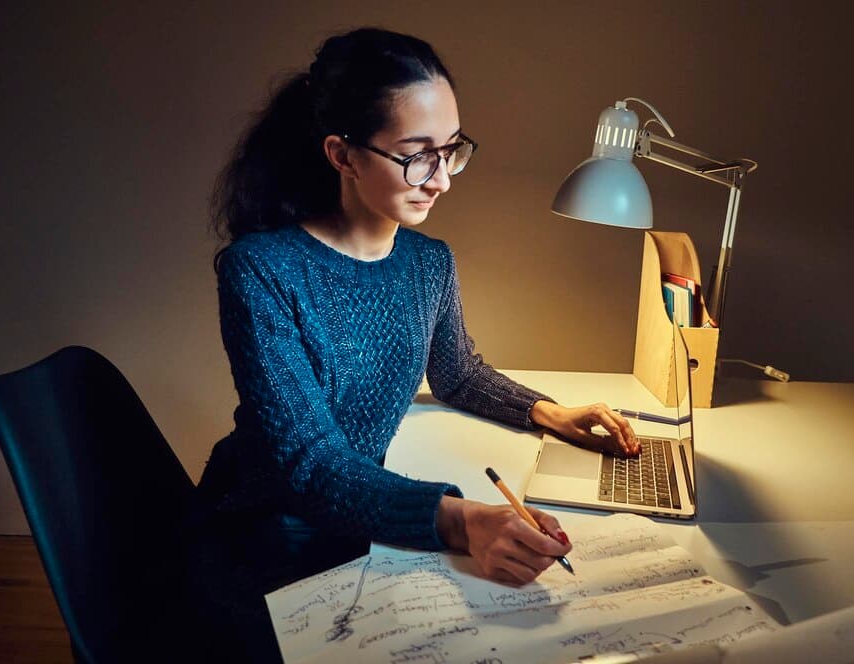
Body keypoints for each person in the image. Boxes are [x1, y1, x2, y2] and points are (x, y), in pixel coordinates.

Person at [191, 26, 638, 661]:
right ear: (342, 155)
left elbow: (459, 375)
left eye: (451, 151)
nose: (442, 180)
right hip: (273, 544)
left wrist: (550, 413)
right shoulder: (261, 270)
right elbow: (311, 464)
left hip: (368, 525)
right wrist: (462, 521)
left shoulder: (428, 263)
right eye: (416, 154)